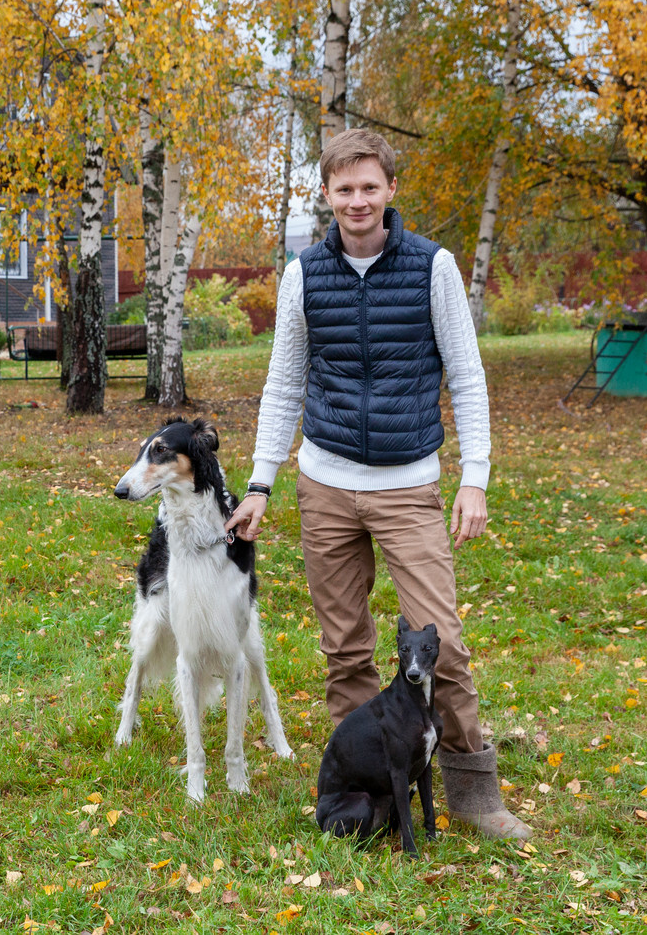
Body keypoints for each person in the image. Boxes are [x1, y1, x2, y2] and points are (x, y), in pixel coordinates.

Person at [225, 128, 530, 840]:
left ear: (389, 191)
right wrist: (260, 484)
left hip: (408, 485)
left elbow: (467, 375)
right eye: (343, 189)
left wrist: (473, 478)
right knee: (346, 649)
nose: (356, 200)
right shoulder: (303, 273)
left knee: (442, 645)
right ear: (326, 195)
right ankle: (375, 790)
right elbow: (281, 386)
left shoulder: (433, 267)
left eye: (369, 187)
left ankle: (474, 793)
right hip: (324, 483)